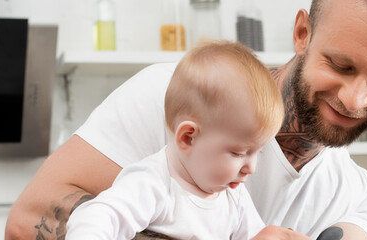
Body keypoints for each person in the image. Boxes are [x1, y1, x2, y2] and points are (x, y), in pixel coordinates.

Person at [6, 0, 367, 239]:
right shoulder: (180, 98)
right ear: (302, 33)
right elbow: (27, 223)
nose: (356, 98)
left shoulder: (351, 195)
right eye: (341, 65)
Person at [65, 41, 282, 239]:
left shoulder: (235, 198)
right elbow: (95, 217)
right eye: (239, 153)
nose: (251, 168)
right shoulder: (154, 183)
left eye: (258, 152)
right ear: (188, 137)